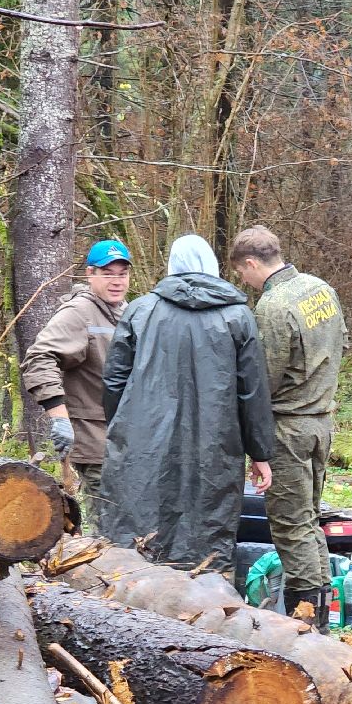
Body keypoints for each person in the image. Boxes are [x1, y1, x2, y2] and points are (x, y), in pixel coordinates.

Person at [99, 235, 274, 571]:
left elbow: (114, 380)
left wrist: (121, 427)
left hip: (142, 440)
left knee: (138, 529)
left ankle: (135, 606)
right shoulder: (237, 316)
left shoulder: (141, 310)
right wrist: (261, 454)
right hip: (214, 442)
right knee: (206, 532)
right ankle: (203, 606)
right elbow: (251, 391)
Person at [229, 225, 346, 630]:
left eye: (242, 273)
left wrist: (253, 440)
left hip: (290, 430)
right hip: (321, 421)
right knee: (309, 519)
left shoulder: (274, 306)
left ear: (251, 262)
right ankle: (321, 609)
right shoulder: (320, 289)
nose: (243, 282)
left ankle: (307, 623)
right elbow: (340, 347)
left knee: (291, 527)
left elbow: (265, 380)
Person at [21, 239, 132, 528]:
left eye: (122, 273)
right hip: (94, 440)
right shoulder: (79, 312)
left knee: (128, 528)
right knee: (109, 530)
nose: (116, 281)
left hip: (123, 440)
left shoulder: (126, 311)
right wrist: (59, 418)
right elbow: (39, 358)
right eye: (108, 273)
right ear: (90, 274)